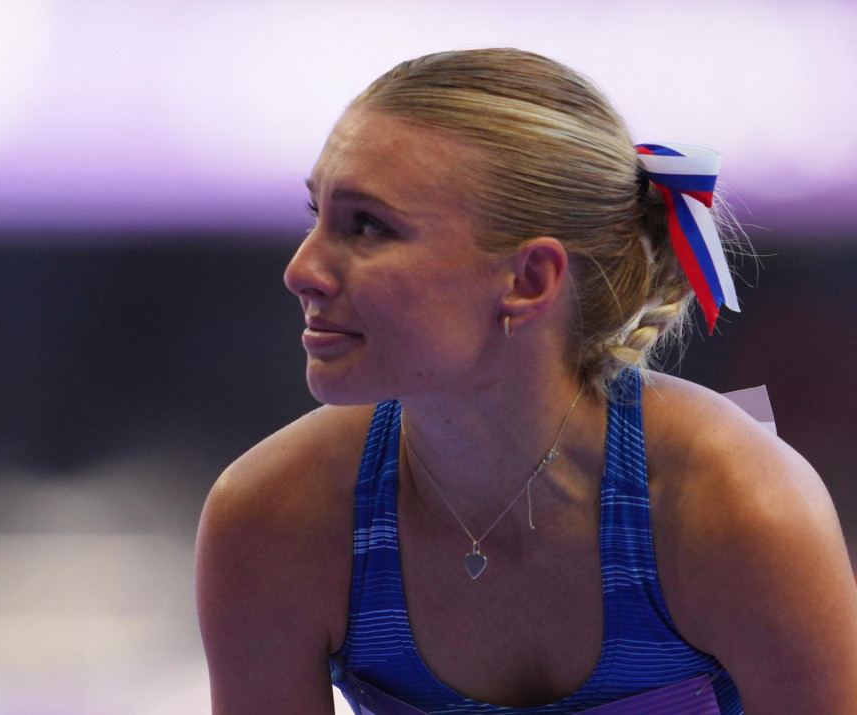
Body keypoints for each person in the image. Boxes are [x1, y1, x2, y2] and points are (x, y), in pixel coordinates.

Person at [195, 48, 857, 714]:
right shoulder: (272, 517)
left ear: (529, 280)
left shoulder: (741, 508)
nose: (301, 269)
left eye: (367, 225)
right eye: (317, 216)